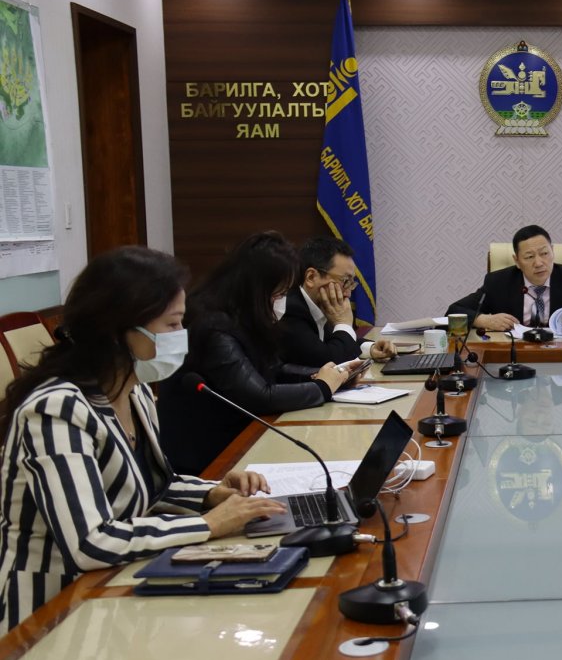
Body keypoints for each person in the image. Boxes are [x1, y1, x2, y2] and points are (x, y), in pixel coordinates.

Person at [0, 247, 285, 631]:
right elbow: (90, 542)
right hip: (50, 614)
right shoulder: (57, 410)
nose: (182, 337)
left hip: (114, 589)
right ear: (120, 332)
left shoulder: (135, 392)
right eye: (172, 325)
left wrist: (211, 494)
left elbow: (147, 486)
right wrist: (208, 525)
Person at [158, 232, 355, 475]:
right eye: (278, 294)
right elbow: (258, 396)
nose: (281, 301)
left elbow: (273, 368)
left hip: (240, 441)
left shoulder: (244, 317)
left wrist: (331, 375)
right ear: (256, 289)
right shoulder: (212, 326)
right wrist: (322, 387)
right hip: (208, 457)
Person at [446, 225, 562, 331]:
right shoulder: (498, 282)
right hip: (513, 357)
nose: (539, 263)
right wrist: (485, 320)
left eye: (544, 253)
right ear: (517, 261)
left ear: (553, 252)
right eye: (529, 257)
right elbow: (453, 311)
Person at [277, 237, 396, 366]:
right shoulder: (290, 312)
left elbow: (334, 342)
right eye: (345, 281)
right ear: (311, 277)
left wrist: (371, 348)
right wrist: (343, 323)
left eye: (351, 283)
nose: (348, 293)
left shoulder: (318, 303)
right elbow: (327, 362)